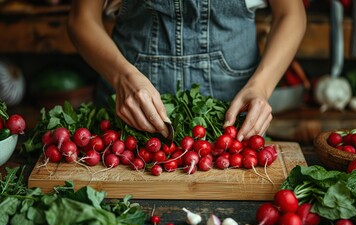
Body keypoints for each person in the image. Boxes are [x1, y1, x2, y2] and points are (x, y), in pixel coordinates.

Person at [67, 0, 306, 141]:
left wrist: (261, 87)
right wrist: (121, 77)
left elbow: (291, 14)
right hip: (128, 110)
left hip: (232, 114)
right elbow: (81, 18)